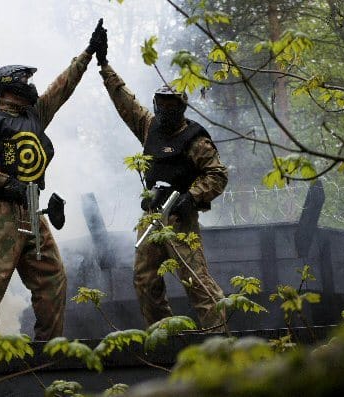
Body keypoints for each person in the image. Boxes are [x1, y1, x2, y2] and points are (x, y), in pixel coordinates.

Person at [0, 21, 107, 342]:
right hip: (0, 213)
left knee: (53, 278)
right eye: (26, 80)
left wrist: (87, 54)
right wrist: (5, 182)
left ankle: (47, 349)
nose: (32, 85)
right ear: (13, 86)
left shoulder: (34, 116)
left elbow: (61, 87)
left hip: (31, 211)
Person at [94, 28, 228, 330]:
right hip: (152, 216)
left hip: (181, 218)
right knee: (144, 280)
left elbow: (218, 175)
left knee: (196, 281)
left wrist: (191, 197)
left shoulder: (195, 139)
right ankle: (165, 335)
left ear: (182, 108)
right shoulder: (149, 127)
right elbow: (124, 100)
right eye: (162, 105)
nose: (166, 112)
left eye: (172, 107)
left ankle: (220, 339)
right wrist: (104, 65)